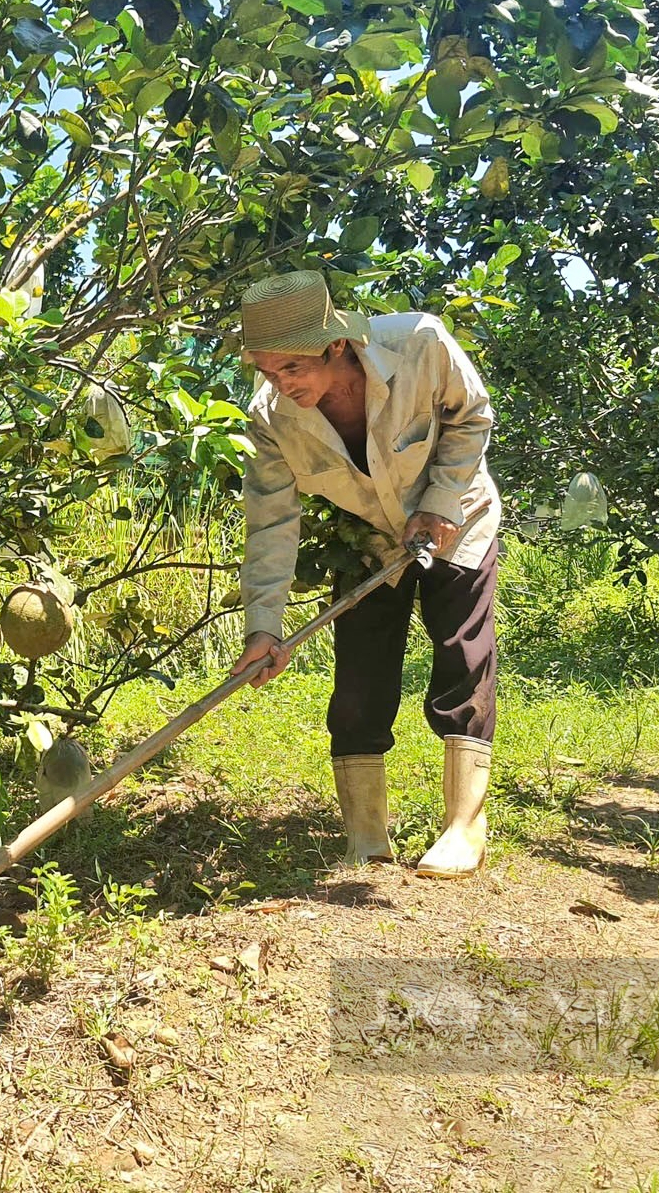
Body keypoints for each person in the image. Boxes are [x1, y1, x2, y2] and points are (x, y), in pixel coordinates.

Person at [232, 270, 502, 877]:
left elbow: (472, 417)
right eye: (269, 372)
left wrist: (438, 503)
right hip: (372, 538)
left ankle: (464, 825)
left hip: (458, 516)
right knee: (359, 675)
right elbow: (271, 524)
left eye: (291, 370)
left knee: (461, 655)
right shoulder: (270, 416)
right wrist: (263, 630)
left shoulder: (421, 346)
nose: (279, 385)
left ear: (334, 345)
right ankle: (365, 835)